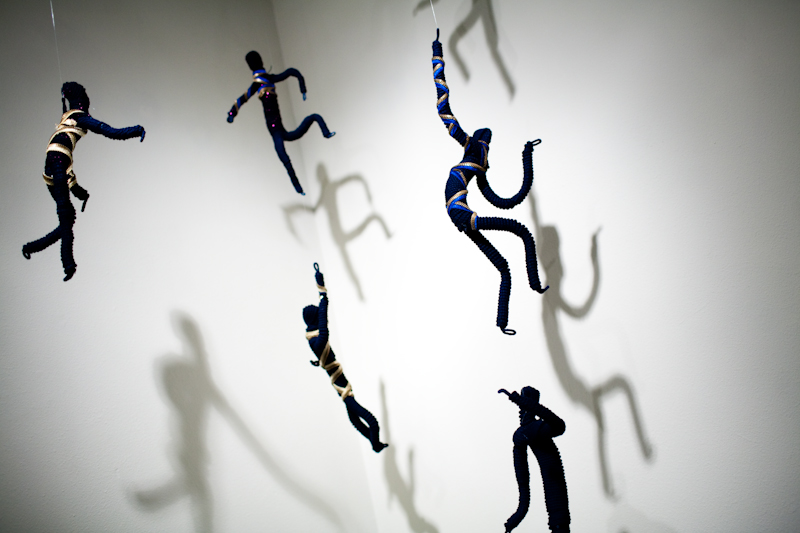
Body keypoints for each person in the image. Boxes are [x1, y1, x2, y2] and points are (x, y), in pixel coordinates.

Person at [432, 31, 547, 334]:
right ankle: (530, 290)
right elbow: (443, 107)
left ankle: (510, 314)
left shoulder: (476, 161)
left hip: (459, 212)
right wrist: (437, 52)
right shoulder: (472, 148)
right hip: (460, 212)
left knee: (507, 261)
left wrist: (527, 155)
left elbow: (506, 200)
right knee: (520, 235)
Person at [22, 82, 145, 281]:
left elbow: (68, 169)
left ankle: (32, 248)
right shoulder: (80, 117)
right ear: (82, 102)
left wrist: (81, 193)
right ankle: (68, 265)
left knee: (68, 217)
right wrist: (136, 130)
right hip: (58, 161)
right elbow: (109, 131)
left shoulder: (67, 118)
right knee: (65, 216)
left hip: (53, 165)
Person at [303, 264, 387, 452]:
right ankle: (376, 445)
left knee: (355, 420)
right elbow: (324, 321)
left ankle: (375, 444)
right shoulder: (318, 340)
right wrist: (322, 291)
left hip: (339, 382)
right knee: (372, 422)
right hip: (341, 385)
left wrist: (321, 290)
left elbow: (322, 323)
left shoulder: (312, 339)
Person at [226, 51, 335, 195]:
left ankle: (299, 187)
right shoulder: (261, 83)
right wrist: (232, 114)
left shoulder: (263, 82)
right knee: (283, 155)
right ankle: (299, 188)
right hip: (276, 131)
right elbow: (292, 73)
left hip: (278, 131)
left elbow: (291, 73)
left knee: (286, 153)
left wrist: (232, 113)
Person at [499, 387, 570, 533]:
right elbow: (523, 485)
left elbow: (559, 426)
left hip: (559, 513)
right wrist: (513, 521)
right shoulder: (528, 433)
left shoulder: (530, 431)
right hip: (558, 514)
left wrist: (519, 400)